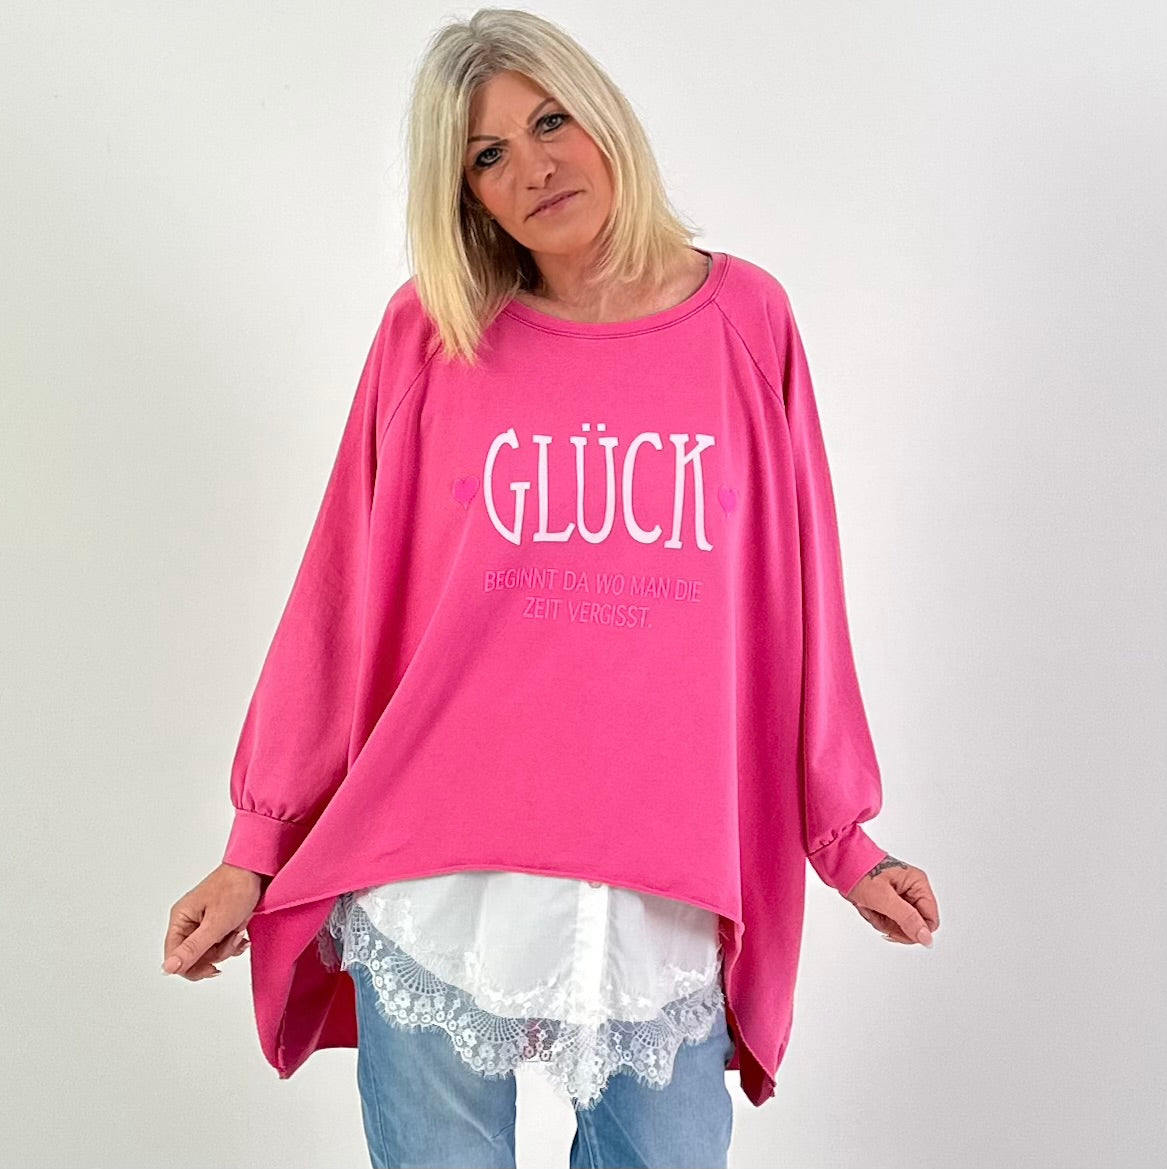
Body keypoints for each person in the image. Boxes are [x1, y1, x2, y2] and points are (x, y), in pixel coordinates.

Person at [162, 8, 940, 1168]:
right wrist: (257, 838)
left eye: (551, 121)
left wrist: (843, 834)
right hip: (438, 877)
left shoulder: (748, 324)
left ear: (603, 117)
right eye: (487, 155)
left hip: (662, 885)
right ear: (467, 193)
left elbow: (800, 592)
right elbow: (341, 588)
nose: (533, 167)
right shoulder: (430, 336)